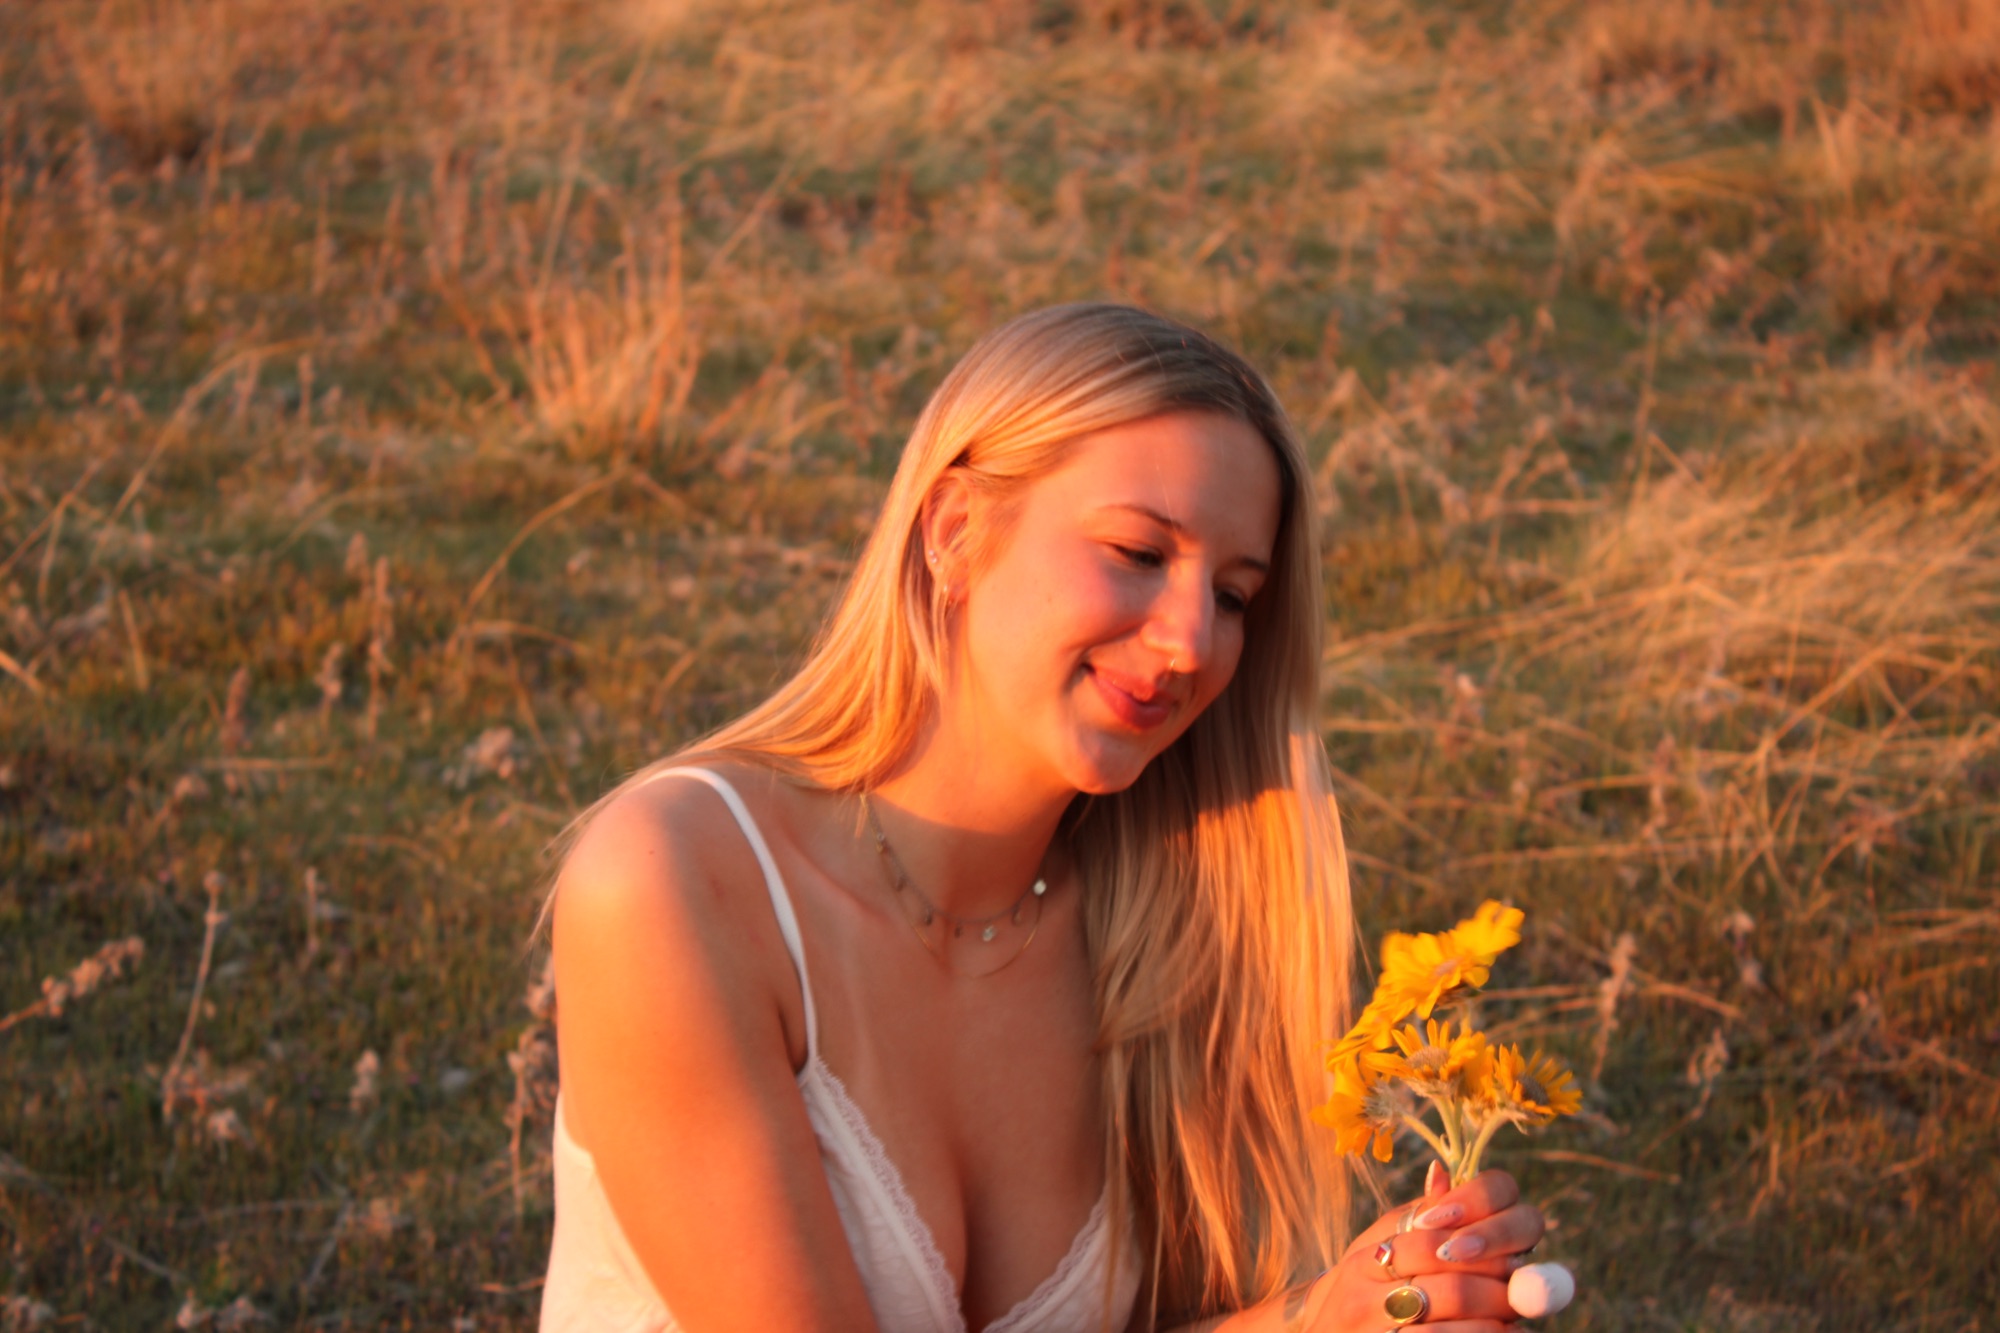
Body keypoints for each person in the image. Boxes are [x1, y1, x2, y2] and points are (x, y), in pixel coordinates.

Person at [540, 303, 1548, 1332]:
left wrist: (1341, 1313)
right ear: (954, 532)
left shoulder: (1151, 937)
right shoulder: (678, 881)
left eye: (1234, 595)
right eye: (1137, 552)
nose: (1190, 641)